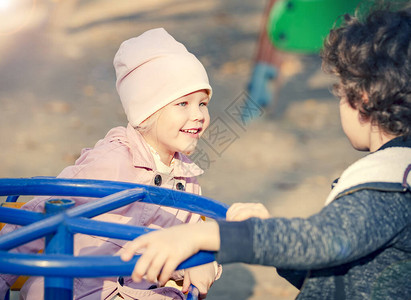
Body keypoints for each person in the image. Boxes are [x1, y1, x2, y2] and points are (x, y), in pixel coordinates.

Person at [121, 5, 411, 299]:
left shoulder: (389, 190)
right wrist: (267, 232)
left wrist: (208, 235)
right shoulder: (396, 177)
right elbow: (335, 272)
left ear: (361, 100)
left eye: (340, 94)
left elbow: (323, 241)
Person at [0, 28, 221, 300]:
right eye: (183, 103)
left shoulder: (185, 177)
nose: (198, 115)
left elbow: (187, 236)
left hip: (136, 291)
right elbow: (42, 213)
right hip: (75, 291)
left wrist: (202, 261)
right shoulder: (113, 161)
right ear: (148, 110)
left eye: (203, 103)